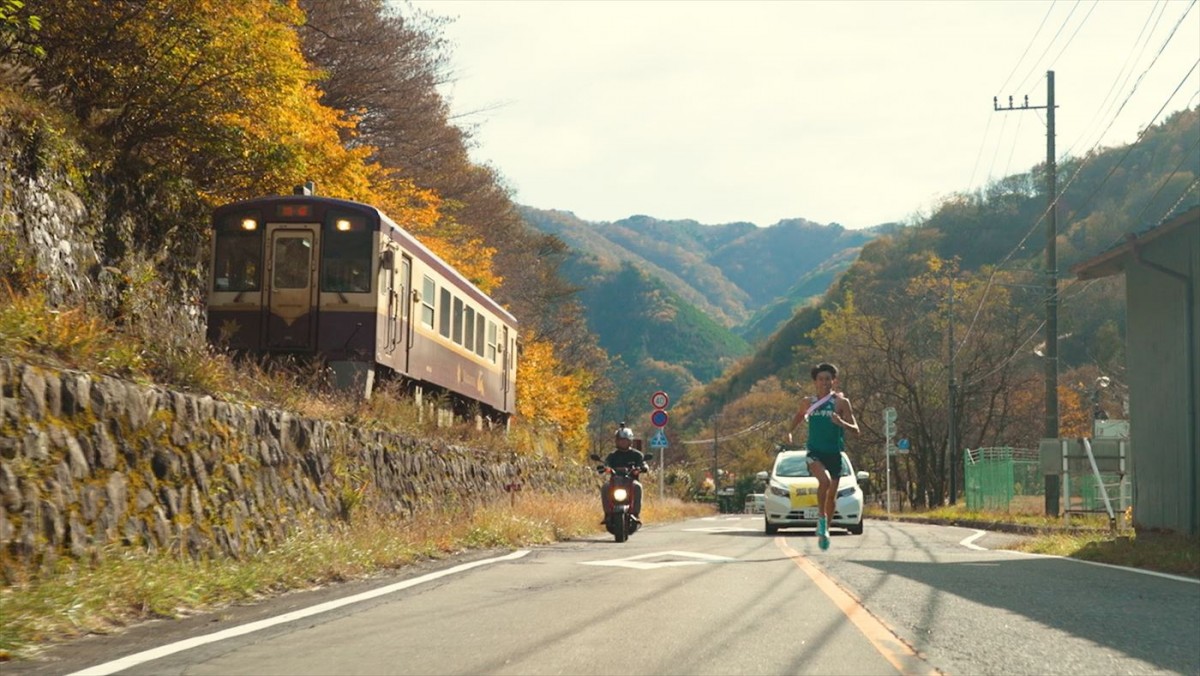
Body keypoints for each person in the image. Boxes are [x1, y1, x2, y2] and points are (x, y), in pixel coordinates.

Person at [785, 362, 859, 549]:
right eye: (820, 379)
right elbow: (799, 416)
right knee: (824, 482)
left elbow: (856, 430)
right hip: (814, 452)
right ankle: (821, 518)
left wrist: (841, 422)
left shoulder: (841, 403)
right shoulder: (807, 402)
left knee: (831, 498)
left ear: (834, 381)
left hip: (834, 453)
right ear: (815, 382)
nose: (824, 382)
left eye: (828, 379)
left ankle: (825, 528)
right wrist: (790, 431)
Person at [600, 423, 648, 524]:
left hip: (631, 481)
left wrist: (641, 468)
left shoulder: (637, 455)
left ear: (630, 441)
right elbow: (606, 464)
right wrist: (605, 468)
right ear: (616, 441)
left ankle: (635, 514)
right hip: (615, 482)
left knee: (638, 487)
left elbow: (643, 464)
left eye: (624, 440)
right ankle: (607, 514)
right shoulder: (612, 455)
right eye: (620, 440)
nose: (622, 442)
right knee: (605, 487)